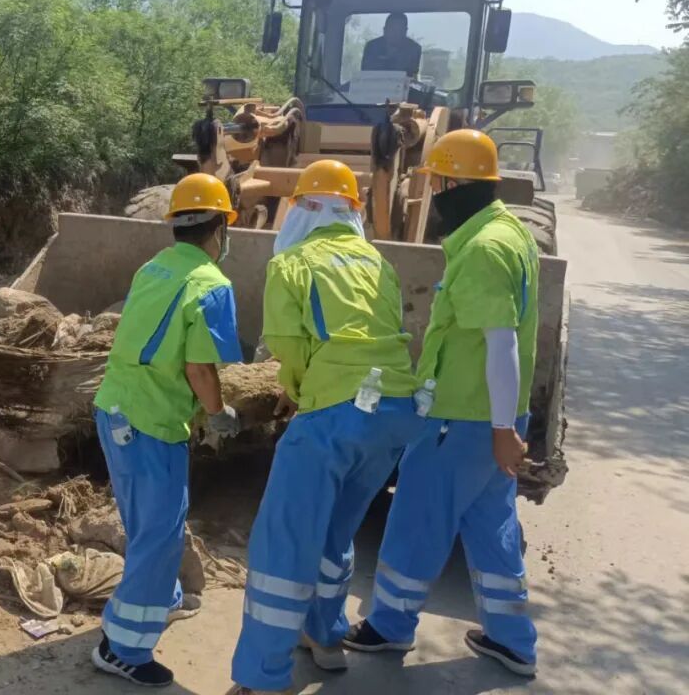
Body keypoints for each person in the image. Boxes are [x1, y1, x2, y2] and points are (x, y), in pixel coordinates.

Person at [344, 130, 541, 677]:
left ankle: (388, 626)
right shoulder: (510, 232)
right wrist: (507, 425)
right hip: (492, 417)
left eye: (436, 183)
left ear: (454, 184)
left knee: (418, 518)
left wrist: (500, 429)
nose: (432, 194)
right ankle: (512, 639)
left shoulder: (483, 250)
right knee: (491, 524)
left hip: (464, 419)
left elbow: (500, 343)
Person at [227, 160, 421, 695]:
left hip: (334, 414)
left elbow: (287, 346)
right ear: (352, 211)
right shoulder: (379, 262)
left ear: (302, 209)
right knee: (336, 531)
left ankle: (263, 676)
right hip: (394, 413)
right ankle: (326, 638)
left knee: (284, 541)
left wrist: (294, 389)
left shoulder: (293, 263)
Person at [92, 173, 244, 687]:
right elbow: (200, 368)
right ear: (220, 228)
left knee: (147, 523)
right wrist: (219, 414)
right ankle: (123, 648)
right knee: (159, 532)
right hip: (153, 424)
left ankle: (163, 597)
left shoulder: (152, 267)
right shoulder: (212, 284)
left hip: (114, 409)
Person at [361, 12, 423, 77]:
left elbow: (412, 77)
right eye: (392, 29)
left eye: (399, 30)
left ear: (405, 31)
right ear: (384, 30)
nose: (395, 34)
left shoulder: (414, 50)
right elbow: (365, 74)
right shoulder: (372, 47)